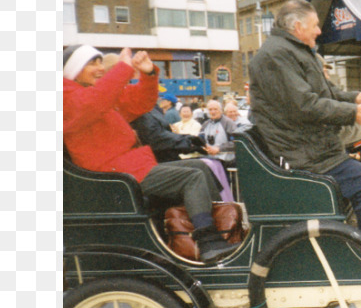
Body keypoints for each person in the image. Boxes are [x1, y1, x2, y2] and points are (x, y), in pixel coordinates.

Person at [248, 0, 361, 264]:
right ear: (297, 26)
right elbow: (304, 104)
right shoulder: (277, 55)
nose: (319, 31)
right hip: (304, 154)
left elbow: (324, 94)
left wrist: (354, 99)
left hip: (311, 148)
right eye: (315, 25)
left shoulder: (291, 51)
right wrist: (353, 113)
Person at [63, 44, 239, 263]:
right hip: (112, 175)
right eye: (92, 63)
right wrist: (123, 68)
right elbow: (96, 102)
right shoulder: (67, 96)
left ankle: (220, 230)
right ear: (74, 69)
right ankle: (207, 241)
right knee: (191, 178)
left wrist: (147, 74)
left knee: (202, 166)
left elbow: (138, 103)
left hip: (128, 168)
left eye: (101, 62)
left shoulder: (91, 94)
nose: (99, 68)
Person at [198, 100, 238, 165]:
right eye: (210, 110)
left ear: (221, 110)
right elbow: (200, 139)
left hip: (225, 159)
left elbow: (235, 142)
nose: (213, 112)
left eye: (215, 109)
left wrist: (218, 149)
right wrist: (204, 147)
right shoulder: (205, 124)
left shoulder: (228, 123)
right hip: (209, 157)